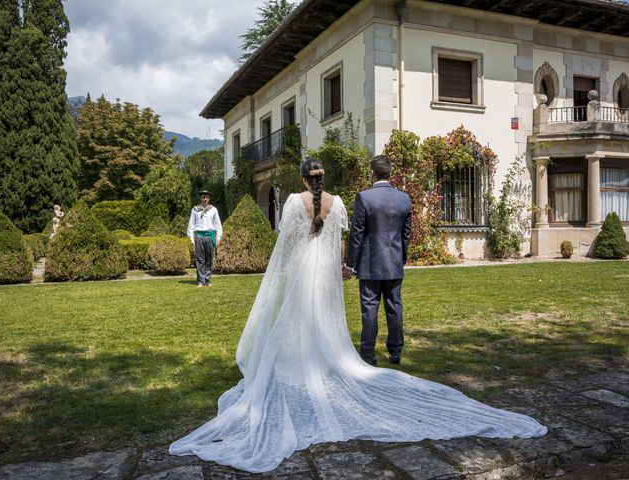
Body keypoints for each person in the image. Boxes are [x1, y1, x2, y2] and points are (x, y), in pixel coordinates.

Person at [170, 158, 546, 474]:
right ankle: (334, 356)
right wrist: (341, 266)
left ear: (303, 178)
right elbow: (342, 237)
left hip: (304, 266)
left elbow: (285, 242)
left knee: (297, 316)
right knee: (325, 317)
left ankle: (300, 361)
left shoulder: (295, 202)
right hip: (326, 271)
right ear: (322, 179)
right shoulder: (338, 202)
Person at [343, 154, 412, 366]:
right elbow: (407, 233)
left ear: (372, 173)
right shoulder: (404, 198)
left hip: (370, 263)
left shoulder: (363, 197)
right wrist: (401, 257)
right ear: (388, 173)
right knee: (394, 306)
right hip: (393, 262)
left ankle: (368, 354)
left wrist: (349, 264)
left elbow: (357, 234)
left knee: (370, 308)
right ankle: (396, 352)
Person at [187, 189, 223, 287]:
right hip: (199, 236)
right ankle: (200, 281)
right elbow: (191, 224)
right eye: (203, 197)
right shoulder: (195, 210)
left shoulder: (213, 210)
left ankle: (207, 280)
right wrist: (191, 237)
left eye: (207, 197)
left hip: (209, 236)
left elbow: (218, 224)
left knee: (209, 259)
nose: (205, 199)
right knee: (200, 259)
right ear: (201, 198)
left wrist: (218, 237)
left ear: (209, 199)